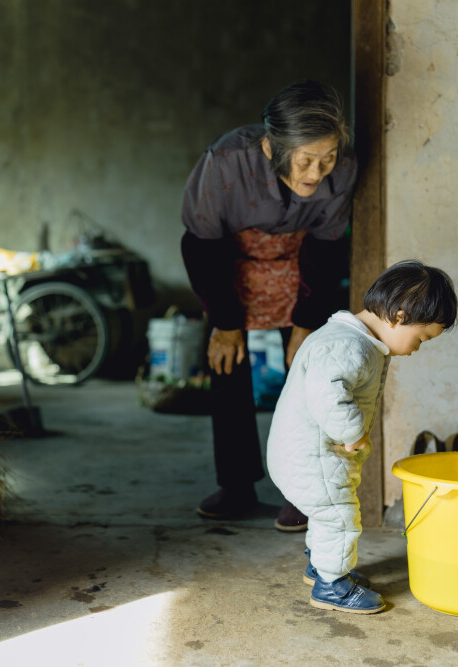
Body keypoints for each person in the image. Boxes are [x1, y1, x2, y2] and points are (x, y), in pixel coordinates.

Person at [181, 80, 357, 531]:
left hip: (301, 267)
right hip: (230, 267)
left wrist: (305, 322)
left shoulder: (344, 168)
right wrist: (225, 322)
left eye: (328, 159)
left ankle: (302, 490)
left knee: (310, 376)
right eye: (305, 160)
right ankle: (236, 485)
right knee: (225, 366)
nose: (317, 173)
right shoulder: (224, 164)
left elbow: (327, 247)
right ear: (270, 147)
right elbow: (201, 245)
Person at [266, 260, 458, 614]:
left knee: (326, 513)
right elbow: (327, 394)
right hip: (312, 457)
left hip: (304, 453)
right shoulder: (348, 346)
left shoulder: (349, 338)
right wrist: (353, 432)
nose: (418, 348)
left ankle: (321, 566)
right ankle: (332, 586)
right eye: (422, 338)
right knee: (339, 516)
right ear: (399, 316)